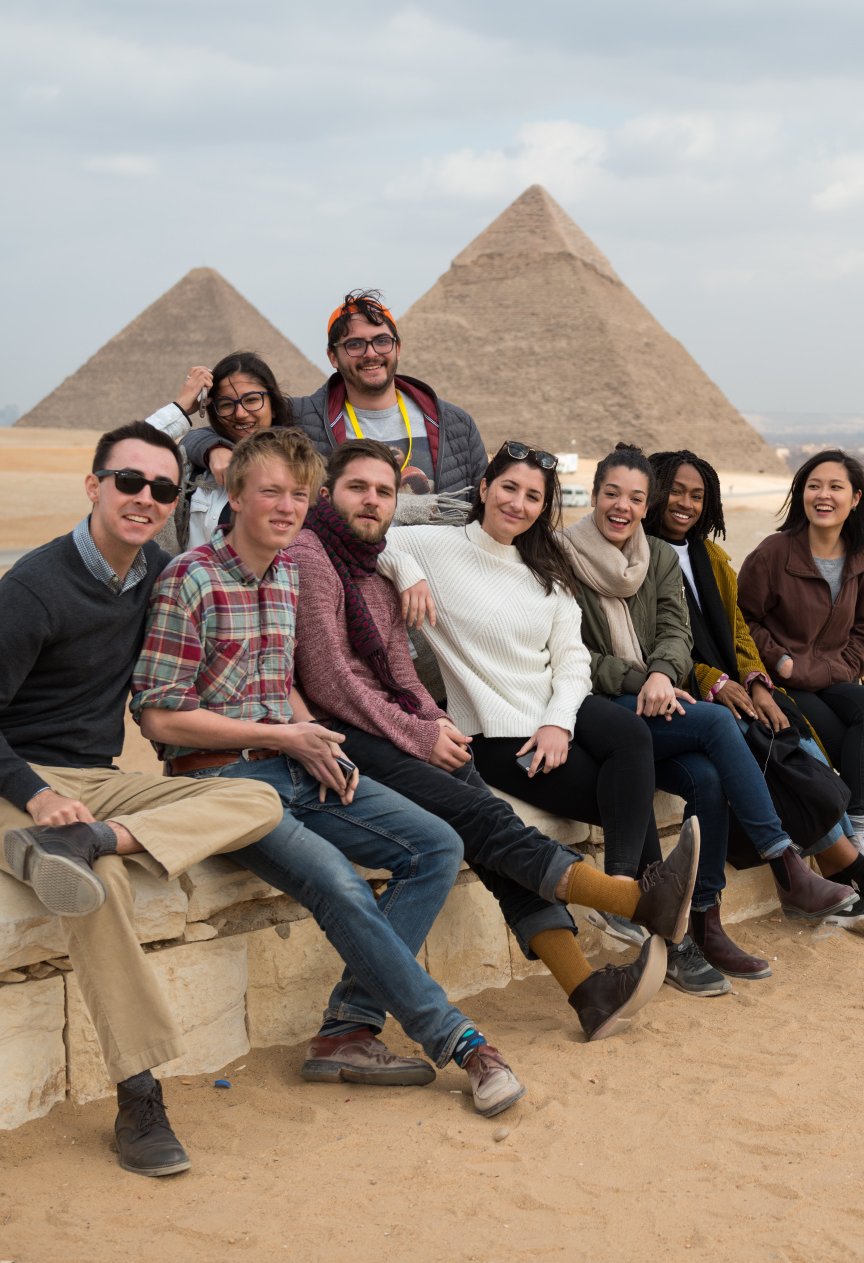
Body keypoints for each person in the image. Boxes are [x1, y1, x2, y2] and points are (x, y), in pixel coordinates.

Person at [127, 426, 532, 1117]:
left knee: (435, 844)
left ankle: (346, 1028)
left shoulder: (286, 572)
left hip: (291, 761)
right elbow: (160, 718)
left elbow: (276, 678)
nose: (287, 505)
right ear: (235, 494)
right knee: (338, 880)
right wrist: (283, 735)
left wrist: (310, 735)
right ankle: (462, 1043)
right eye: (271, 492)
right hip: (222, 783)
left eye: (297, 493)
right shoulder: (188, 577)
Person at [0, 420, 286, 1176]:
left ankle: (95, 838)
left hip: (96, 785)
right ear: (93, 485)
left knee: (257, 798)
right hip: (4, 778)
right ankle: (138, 1095)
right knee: (97, 892)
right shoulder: (36, 584)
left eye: (164, 488)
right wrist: (33, 796)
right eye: (129, 481)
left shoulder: (155, 575)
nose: (147, 498)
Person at [290, 438, 697, 1040]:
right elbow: (332, 680)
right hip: (355, 740)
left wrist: (429, 719)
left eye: (384, 492)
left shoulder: (367, 559)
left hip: (419, 727)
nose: (373, 502)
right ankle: (631, 901)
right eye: (359, 489)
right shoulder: (316, 554)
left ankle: (589, 988)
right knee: (485, 827)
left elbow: (396, 669)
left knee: (498, 835)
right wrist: (422, 726)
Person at [557, 445, 864, 997]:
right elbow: (571, 654)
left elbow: (678, 634)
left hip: (659, 697)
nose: (623, 506)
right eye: (613, 494)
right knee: (717, 725)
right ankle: (786, 863)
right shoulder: (562, 556)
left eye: (635, 497)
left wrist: (667, 672)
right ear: (593, 494)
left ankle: (704, 922)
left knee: (708, 776)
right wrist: (648, 679)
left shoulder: (655, 556)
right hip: (601, 703)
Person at [378, 445, 680, 967]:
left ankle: (623, 890)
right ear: (484, 489)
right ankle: (656, 922)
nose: (518, 503)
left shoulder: (546, 570)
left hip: (557, 710)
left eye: (533, 496)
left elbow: (571, 661)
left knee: (633, 737)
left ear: (544, 508)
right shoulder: (431, 546)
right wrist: (406, 570)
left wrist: (558, 725)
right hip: (496, 731)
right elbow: (361, 533)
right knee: (619, 794)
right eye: (509, 488)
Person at [644, 447, 864, 975]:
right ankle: (856, 875)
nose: (684, 503)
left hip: (749, 685)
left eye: (697, 494)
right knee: (781, 746)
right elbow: (659, 644)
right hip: (684, 694)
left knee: (794, 734)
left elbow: (734, 629)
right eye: (675, 491)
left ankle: (835, 870)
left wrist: (756, 682)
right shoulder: (641, 555)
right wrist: (733, 679)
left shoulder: (710, 558)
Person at [739, 448, 864, 880]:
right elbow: (740, 619)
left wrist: (837, 670)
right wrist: (779, 659)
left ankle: (860, 833)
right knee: (831, 735)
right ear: (801, 494)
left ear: (855, 499)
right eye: (814, 486)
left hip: (831, 676)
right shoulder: (774, 554)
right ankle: (842, 854)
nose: (824, 495)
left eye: (836, 487)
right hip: (782, 683)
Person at [282, 288, 487, 505]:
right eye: (355, 344)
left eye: (381, 341)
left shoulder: (457, 425)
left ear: (397, 348)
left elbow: (483, 509)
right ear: (333, 357)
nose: (371, 353)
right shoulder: (297, 422)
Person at [174, 351, 297, 550]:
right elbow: (129, 456)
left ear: (273, 406)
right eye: (225, 405)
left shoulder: (303, 471)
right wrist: (180, 408)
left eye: (252, 400)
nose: (240, 413)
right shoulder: (192, 473)